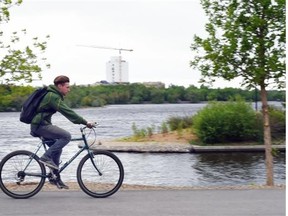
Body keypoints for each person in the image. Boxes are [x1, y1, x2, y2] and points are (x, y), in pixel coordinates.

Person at [30, 75, 94, 189]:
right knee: (66, 136)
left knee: (57, 149)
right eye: (67, 87)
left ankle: (55, 177)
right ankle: (45, 157)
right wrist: (85, 122)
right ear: (60, 86)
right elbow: (67, 111)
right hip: (40, 126)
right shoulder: (52, 96)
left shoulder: (53, 95)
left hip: (41, 125)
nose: (69, 90)